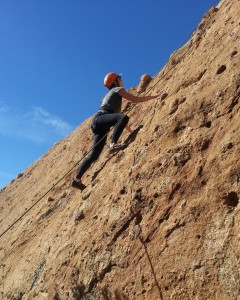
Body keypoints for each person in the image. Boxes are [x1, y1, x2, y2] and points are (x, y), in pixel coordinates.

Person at [72, 72, 162, 190]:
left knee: (94, 155)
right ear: (115, 82)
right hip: (101, 119)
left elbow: (119, 121)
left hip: (99, 123)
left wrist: (131, 132)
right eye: (120, 78)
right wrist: (154, 96)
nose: (122, 80)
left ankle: (76, 180)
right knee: (123, 118)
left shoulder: (112, 98)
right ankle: (113, 144)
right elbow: (135, 100)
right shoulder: (117, 90)